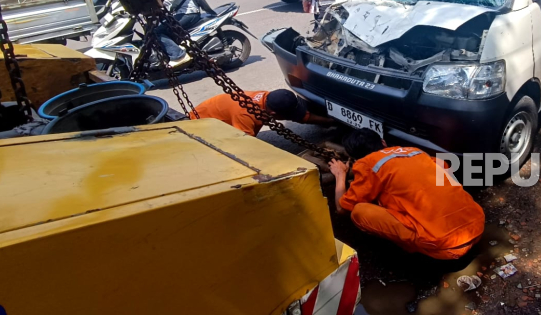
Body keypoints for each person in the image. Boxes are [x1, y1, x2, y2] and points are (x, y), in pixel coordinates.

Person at [328, 129, 485, 260]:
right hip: (477, 227)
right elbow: (445, 169)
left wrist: (340, 175)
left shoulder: (367, 164)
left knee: (359, 211)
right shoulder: (415, 151)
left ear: (356, 158)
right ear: (383, 142)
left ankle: (410, 252)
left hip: (446, 247)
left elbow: (342, 208)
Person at [189, 89, 331, 136]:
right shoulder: (246, 114)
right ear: (274, 113)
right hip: (200, 125)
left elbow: (301, 117)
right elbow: (246, 145)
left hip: (221, 117)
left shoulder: (269, 97)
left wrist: (331, 122)